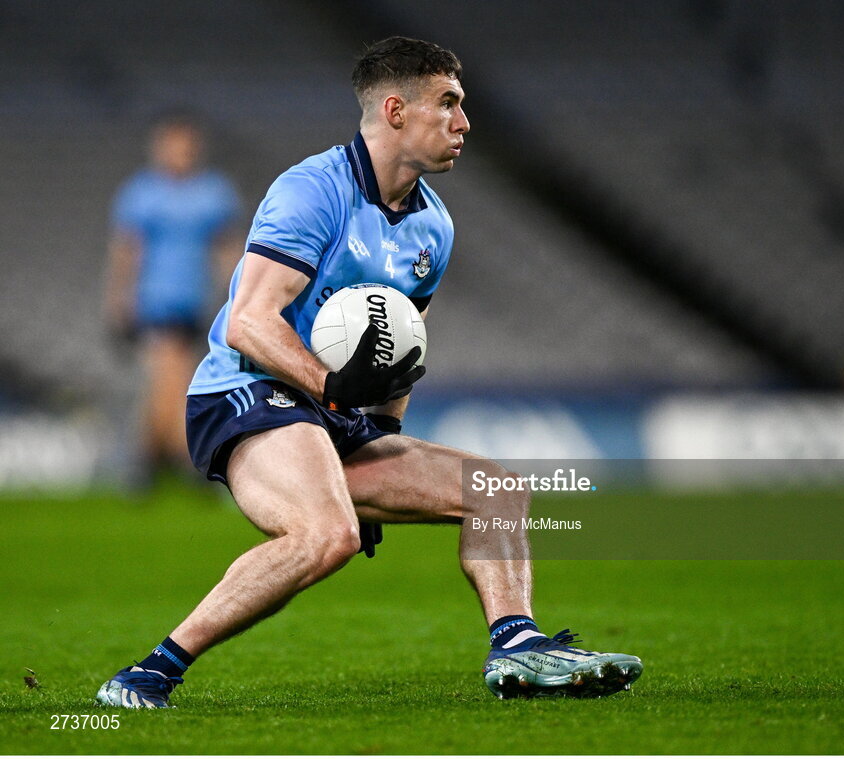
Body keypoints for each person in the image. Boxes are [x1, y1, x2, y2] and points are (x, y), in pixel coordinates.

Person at [95, 37, 642, 708]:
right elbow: (248, 321)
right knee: (329, 535)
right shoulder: (312, 191)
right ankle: (149, 672)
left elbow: (399, 356)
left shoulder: (432, 230)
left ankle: (517, 644)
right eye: (448, 104)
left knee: (498, 491)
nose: (464, 123)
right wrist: (329, 389)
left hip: (330, 415)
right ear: (395, 111)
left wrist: (375, 436)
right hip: (246, 391)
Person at [105, 111, 242, 480]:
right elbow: (127, 250)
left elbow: (226, 249)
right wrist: (119, 299)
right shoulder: (142, 192)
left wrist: (241, 294)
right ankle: (179, 458)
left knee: (174, 378)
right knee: (169, 374)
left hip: (194, 300)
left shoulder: (213, 191)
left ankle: (147, 458)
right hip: (154, 301)